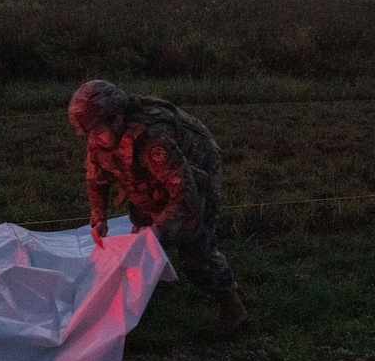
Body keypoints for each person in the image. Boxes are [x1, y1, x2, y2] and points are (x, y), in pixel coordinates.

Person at [68, 80, 249, 335]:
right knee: (140, 250)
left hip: (190, 184)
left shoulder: (154, 138)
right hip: (150, 185)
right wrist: (99, 217)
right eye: (90, 132)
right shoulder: (100, 137)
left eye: (97, 129)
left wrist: (160, 228)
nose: (93, 137)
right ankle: (137, 306)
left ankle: (233, 309)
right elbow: (95, 179)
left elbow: (184, 194)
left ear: (116, 117)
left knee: (195, 249)